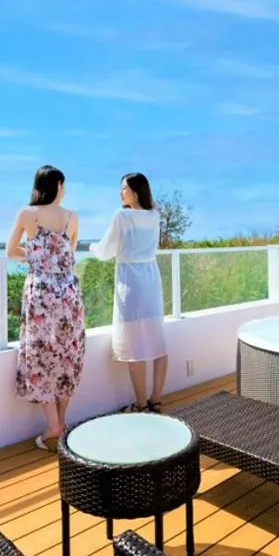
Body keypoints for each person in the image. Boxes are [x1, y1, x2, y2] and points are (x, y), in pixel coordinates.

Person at [6, 165, 86, 449]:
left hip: (41, 293)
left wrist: (35, 255)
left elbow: (10, 251)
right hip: (68, 293)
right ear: (60, 185)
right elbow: (70, 254)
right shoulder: (72, 218)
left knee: (41, 355)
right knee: (66, 353)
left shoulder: (27, 214)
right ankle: (62, 423)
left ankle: (53, 425)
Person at [90, 172, 168, 412]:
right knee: (157, 341)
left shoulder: (122, 215)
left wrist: (91, 247)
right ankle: (156, 400)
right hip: (151, 280)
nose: (120, 192)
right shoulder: (154, 215)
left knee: (135, 346)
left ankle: (141, 404)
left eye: (123, 188)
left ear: (135, 191)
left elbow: (105, 250)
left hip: (131, 284)